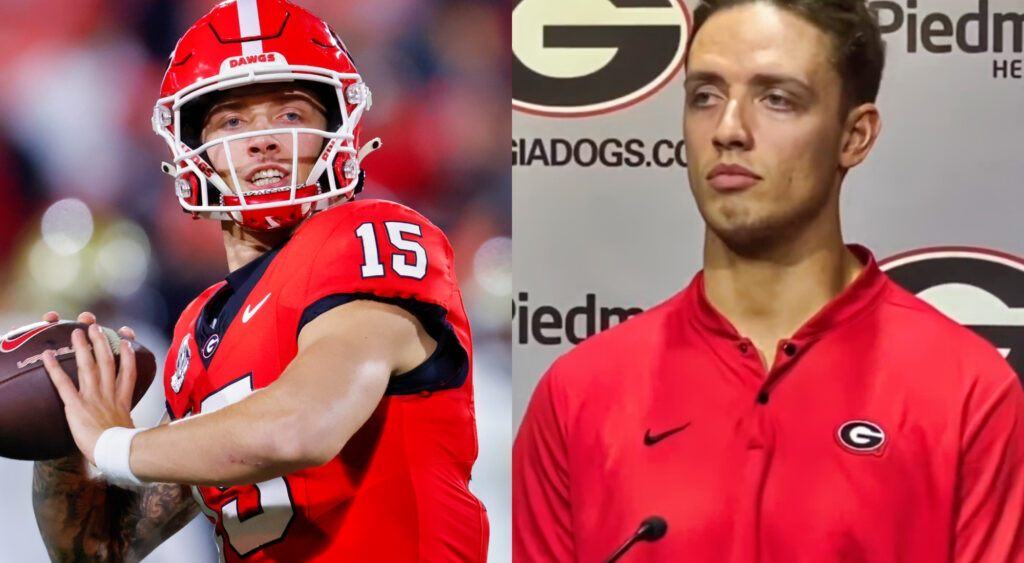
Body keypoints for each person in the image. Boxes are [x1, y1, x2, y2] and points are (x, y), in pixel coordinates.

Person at [513, 1, 1024, 561]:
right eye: (704, 96)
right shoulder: (578, 396)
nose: (729, 129)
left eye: (777, 99)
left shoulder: (970, 393)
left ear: (855, 136)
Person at [31, 1, 488, 561]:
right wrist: (60, 427)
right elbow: (96, 550)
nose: (264, 139)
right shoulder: (201, 328)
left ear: (336, 131)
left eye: (291, 115)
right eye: (233, 121)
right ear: (189, 149)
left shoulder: (370, 234)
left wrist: (111, 443)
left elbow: (300, 428)